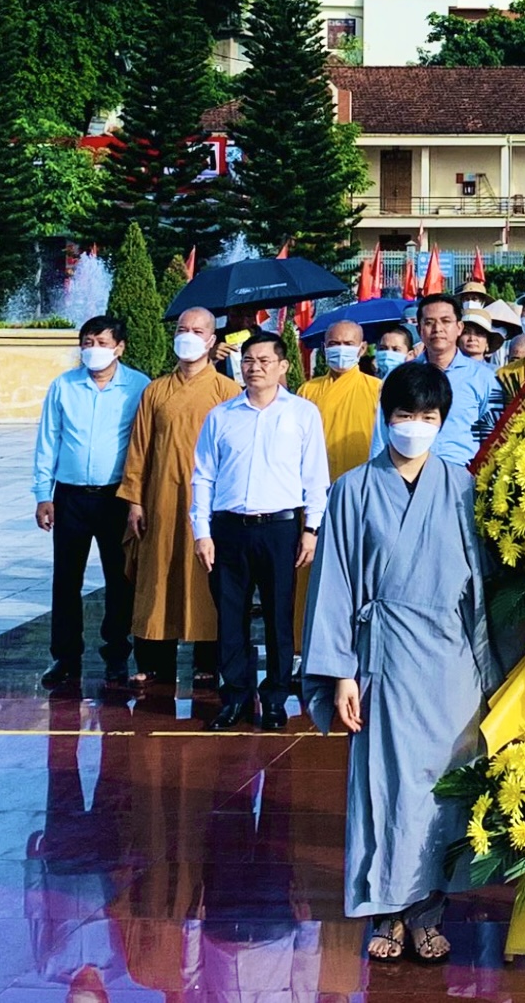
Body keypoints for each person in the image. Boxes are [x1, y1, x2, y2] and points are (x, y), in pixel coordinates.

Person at [303, 362, 498, 965]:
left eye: (427, 417)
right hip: (382, 659)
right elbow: (332, 585)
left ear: (443, 422)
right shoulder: (353, 490)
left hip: (451, 664)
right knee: (387, 789)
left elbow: (487, 589)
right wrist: (340, 672)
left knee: (446, 793)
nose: (414, 427)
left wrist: (493, 671)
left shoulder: (464, 488)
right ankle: (387, 911)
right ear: (386, 418)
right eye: (404, 416)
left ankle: (428, 912)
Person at [190, 330, 331, 731]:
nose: (254, 368)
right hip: (228, 529)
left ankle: (274, 699)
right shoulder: (221, 416)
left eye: (264, 361)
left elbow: (315, 477)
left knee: (278, 616)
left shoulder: (302, 414)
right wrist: (202, 530)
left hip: (280, 529)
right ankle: (234, 696)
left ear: (283, 366)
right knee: (229, 617)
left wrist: (312, 528)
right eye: (248, 361)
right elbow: (203, 476)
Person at [118, 307, 240, 689]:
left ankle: (208, 659)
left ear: (211, 340)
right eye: (182, 329)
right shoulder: (155, 390)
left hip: (209, 504)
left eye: (197, 330)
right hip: (159, 500)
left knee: (205, 578)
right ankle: (154, 660)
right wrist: (134, 500)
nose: (188, 335)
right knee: (157, 578)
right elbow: (139, 448)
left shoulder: (227, 391)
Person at [33, 314, 151, 691]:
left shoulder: (138, 387)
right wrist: (42, 494)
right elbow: (48, 439)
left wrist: (139, 498)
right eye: (87, 342)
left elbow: (145, 444)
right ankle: (65, 656)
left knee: (120, 577)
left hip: (116, 496)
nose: (93, 350)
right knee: (67, 578)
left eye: (101, 343)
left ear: (120, 347)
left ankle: (116, 653)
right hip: (69, 496)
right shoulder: (64, 386)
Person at [294, 320, 381, 646]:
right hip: (312, 499)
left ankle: (353, 646)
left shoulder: (377, 389)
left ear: (361, 349)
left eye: (347, 343)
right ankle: (305, 646)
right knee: (307, 573)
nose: (339, 349)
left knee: (355, 574)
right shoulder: (307, 391)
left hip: (360, 498)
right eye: (333, 343)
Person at [370, 292, 496, 469]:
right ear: (420, 330)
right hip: (406, 475)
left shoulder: (483, 378)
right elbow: (382, 433)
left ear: (459, 327)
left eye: (446, 321)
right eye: (429, 323)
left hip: (461, 481)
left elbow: (493, 437)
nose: (438, 328)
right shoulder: (399, 376)